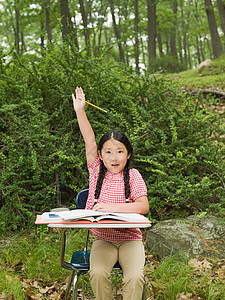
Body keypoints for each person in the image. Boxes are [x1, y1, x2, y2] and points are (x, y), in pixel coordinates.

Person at [72, 87, 149, 300]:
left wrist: (110, 207)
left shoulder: (133, 175)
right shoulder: (96, 170)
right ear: (100, 155)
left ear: (128, 154)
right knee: (97, 273)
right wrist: (80, 110)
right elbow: (89, 138)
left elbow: (143, 206)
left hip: (130, 240)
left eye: (120, 151)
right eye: (108, 152)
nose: (114, 158)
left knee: (134, 278)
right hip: (103, 240)